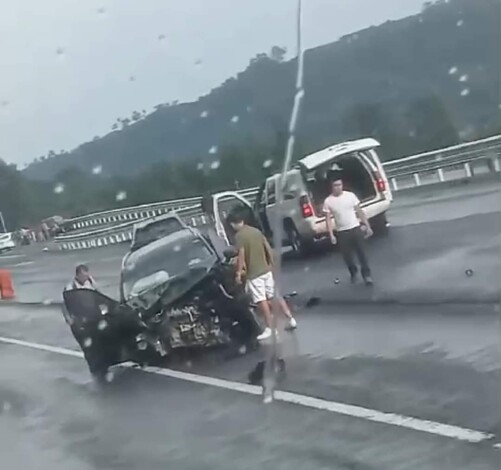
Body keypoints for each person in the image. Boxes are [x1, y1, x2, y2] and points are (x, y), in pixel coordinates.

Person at [227, 210, 297, 341]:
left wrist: (238, 273)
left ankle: (271, 328)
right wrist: (272, 262)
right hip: (266, 269)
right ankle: (290, 319)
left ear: (233, 224)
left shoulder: (239, 236)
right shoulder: (256, 231)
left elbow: (241, 255)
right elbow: (267, 247)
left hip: (254, 273)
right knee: (274, 295)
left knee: (261, 300)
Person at [323, 176, 374, 285]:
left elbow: (359, 211)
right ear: (331, 187)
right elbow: (327, 219)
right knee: (347, 256)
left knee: (362, 254)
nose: (338, 187)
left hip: (355, 228)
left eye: (340, 185)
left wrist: (367, 225)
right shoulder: (328, 201)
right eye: (336, 185)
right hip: (342, 232)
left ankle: (367, 275)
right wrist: (331, 235)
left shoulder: (350, 196)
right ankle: (353, 272)